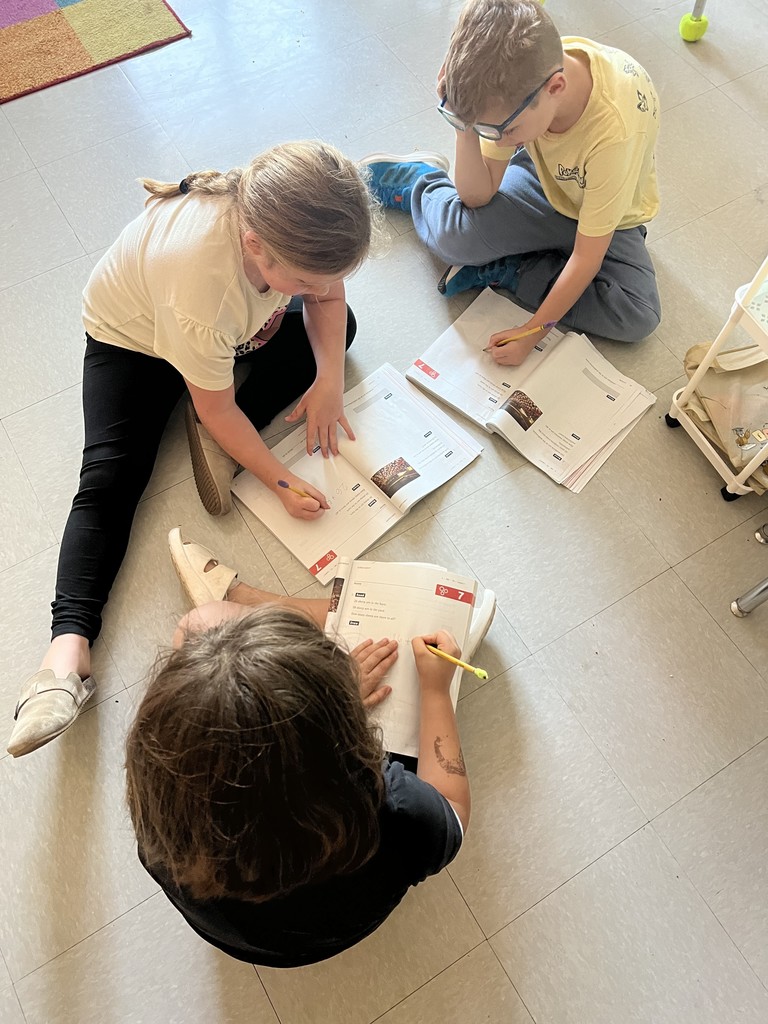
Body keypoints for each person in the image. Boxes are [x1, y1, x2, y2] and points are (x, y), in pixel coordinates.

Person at [8, 141, 377, 758]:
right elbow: (215, 402)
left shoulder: (291, 219)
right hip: (136, 341)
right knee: (110, 476)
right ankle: (65, 652)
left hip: (222, 336)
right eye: (305, 280)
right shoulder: (201, 284)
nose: (319, 288)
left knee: (339, 338)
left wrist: (329, 384)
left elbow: (328, 297)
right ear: (256, 244)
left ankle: (226, 440)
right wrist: (279, 480)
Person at [124, 529, 496, 967]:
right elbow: (454, 809)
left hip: (241, 937)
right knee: (207, 623)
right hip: (331, 930)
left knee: (197, 625)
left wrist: (320, 702)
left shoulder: (163, 818)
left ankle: (312, 629)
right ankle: (370, 624)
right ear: (345, 739)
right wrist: (435, 690)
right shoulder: (399, 814)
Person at [362, 0, 662, 363]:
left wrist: (533, 332)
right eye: (486, 128)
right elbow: (478, 194)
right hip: (544, 182)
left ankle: (513, 268)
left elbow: (586, 257)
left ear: (556, 87)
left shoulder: (612, 134)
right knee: (454, 237)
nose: (497, 140)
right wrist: (465, 126)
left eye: (501, 129)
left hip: (611, 216)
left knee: (638, 315)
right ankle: (420, 183)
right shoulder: (514, 91)